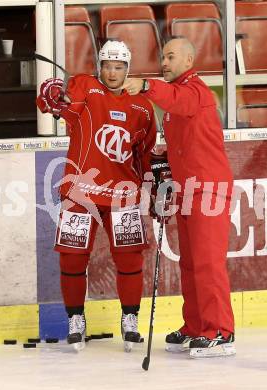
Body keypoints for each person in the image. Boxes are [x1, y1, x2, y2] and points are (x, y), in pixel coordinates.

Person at [36, 40, 156, 351]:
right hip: (81, 191)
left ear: (127, 69)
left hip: (124, 194)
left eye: (119, 67)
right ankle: (76, 319)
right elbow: (55, 104)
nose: (112, 72)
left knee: (129, 259)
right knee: (72, 257)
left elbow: (145, 155)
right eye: (107, 65)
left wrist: (152, 187)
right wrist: (51, 97)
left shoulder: (143, 107)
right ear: (99, 67)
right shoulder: (85, 88)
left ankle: (130, 318)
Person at [123, 37, 236, 358]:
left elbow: (177, 99)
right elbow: (183, 146)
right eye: (163, 57)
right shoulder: (173, 106)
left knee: (208, 264)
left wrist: (146, 84)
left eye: (171, 57)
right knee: (190, 264)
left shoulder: (196, 92)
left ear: (189, 60)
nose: (165, 62)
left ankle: (221, 331)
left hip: (209, 190)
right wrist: (162, 160)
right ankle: (197, 325)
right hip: (189, 190)